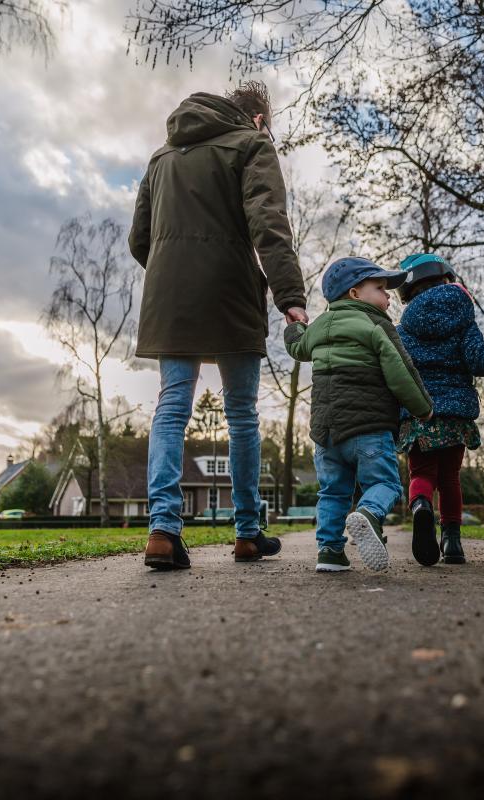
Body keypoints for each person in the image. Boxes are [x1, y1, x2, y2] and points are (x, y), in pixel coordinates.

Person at [129, 81, 308, 571]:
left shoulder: (161, 157)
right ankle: (248, 533)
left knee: (171, 408)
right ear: (257, 120)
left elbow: (138, 239)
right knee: (242, 415)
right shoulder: (253, 145)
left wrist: (173, 273)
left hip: (169, 297)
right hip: (230, 289)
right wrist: (290, 296)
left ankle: (163, 529)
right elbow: (268, 223)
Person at [285, 257, 434, 573]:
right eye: (380, 288)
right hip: (370, 427)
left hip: (326, 433)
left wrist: (295, 324)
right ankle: (368, 513)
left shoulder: (319, 327)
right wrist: (423, 408)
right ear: (354, 293)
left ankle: (329, 552)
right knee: (384, 484)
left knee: (333, 491)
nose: (388, 296)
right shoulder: (377, 326)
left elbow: (297, 347)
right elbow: (401, 372)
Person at [396, 254, 484, 566]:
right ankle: (452, 542)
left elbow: (393, 373)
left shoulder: (402, 330)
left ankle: (421, 507)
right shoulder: (462, 320)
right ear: (445, 278)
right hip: (455, 415)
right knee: (450, 478)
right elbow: (481, 360)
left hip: (419, 413)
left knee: (422, 473)